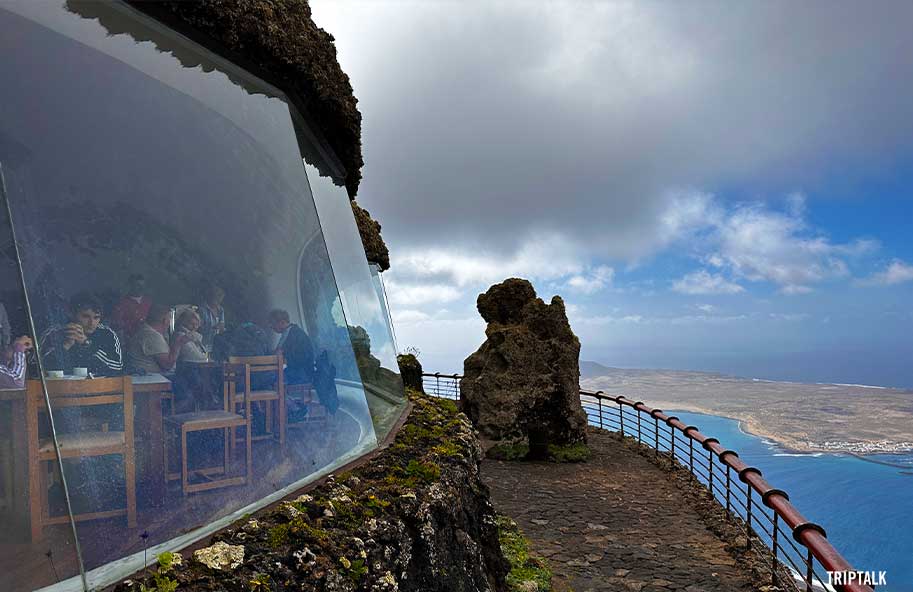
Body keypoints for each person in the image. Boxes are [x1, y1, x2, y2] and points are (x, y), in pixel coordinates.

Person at [39, 293, 123, 376]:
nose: (92, 323)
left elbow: (118, 367)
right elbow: (37, 368)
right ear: (72, 314)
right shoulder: (55, 333)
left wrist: (86, 344)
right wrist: (65, 346)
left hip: (98, 388)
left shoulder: (107, 334)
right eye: (86, 316)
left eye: (96, 317)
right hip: (59, 388)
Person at [127, 304, 188, 375]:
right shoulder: (151, 336)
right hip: (152, 379)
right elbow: (167, 365)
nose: (169, 323)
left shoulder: (147, 331)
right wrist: (178, 344)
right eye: (170, 319)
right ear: (165, 320)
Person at [268, 309, 314, 385]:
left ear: (282, 322)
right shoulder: (289, 332)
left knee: (267, 378)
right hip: (297, 372)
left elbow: (299, 358)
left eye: (273, 324)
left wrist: (282, 356)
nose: (272, 327)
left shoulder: (295, 334)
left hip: (301, 374)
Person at [110, 274, 152, 338]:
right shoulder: (121, 304)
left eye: (142, 286)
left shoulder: (148, 302)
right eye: (137, 285)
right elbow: (117, 325)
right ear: (130, 286)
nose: (141, 288)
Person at [198, 284, 225, 352]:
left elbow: (222, 325)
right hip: (203, 344)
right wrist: (213, 327)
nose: (219, 300)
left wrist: (222, 327)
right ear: (210, 296)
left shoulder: (221, 310)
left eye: (220, 298)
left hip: (217, 345)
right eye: (217, 297)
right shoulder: (202, 310)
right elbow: (198, 328)